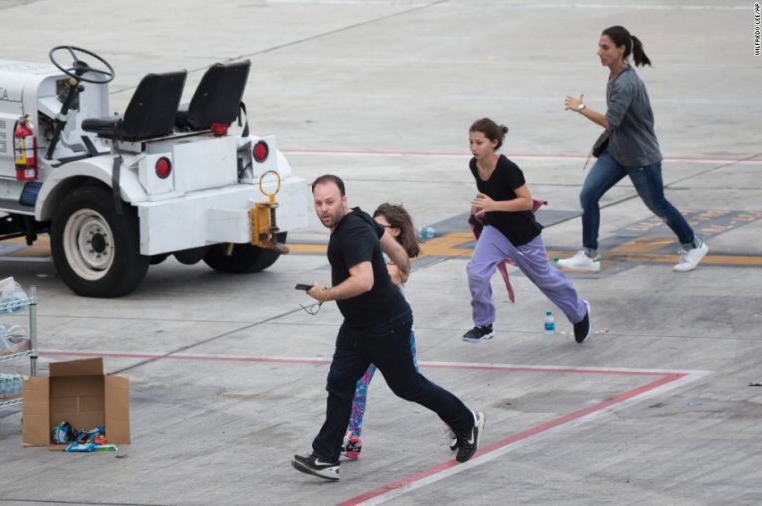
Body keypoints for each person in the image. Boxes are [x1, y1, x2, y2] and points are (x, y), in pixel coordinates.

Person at [291, 175, 485, 481]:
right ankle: (326, 457)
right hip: (358, 326)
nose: (324, 209)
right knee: (340, 383)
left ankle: (466, 420)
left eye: (330, 202)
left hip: (385, 325)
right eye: (318, 203)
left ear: (343, 200)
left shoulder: (350, 232)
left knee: (408, 386)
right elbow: (388, 241)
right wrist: (402, 262)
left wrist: (325, 294)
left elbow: (364, 280)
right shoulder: (359, 216)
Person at [558, 25, 709, 273]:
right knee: (588, 194)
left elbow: (610, 121)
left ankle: (694, 245)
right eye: (599, 46)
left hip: (640, 156)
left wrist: (581, 107)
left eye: (605, 47)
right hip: (617, 153)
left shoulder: (626, 83)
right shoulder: (614, 75)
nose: (599, 52)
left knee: (657, 204)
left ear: (621, 49)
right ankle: (589, 254)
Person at [463, 118, 591, 345]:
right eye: (471, 142)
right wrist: (482, 206)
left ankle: (580, 312)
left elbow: (525, 201)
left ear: (494, 142)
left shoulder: (508, 169)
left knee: (545, 280)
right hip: (495, 230)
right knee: (476, 271)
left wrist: (494, 205)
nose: (473, 147)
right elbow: (489, 195)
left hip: (523, 236)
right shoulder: (474, 165)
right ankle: (484, 324)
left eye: (479, 143)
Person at [342, 203, 422, 460]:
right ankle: (353, 436)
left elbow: (381, 279)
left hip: (395, 335)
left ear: (395, 231)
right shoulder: (369, 255)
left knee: (415, 386)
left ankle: (457, 422)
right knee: (358, 383)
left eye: (379, 228)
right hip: (370, 332)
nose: (371, 232)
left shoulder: (397, 262)